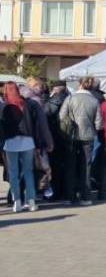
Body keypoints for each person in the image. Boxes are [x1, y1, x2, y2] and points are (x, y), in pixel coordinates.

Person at [1, 82, 53, 212]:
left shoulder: (3, 106)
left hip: (10, 143)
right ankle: (31, 201)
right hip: (28, 141)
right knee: (28, 172)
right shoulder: (29, 104)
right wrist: (45, 142)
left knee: (13, 173)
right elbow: (39, 125)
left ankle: (17, 202)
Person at [60, 76, 103, 205]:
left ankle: (69, 196)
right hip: (88, 137)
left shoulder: (70, 98)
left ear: (79, 84)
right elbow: (99, 124)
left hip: (71, 136)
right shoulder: (94, 101)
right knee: (86, 167)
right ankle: (85, 197)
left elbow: (61, 116)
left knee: (70, 166)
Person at [44, 80, 69, 200]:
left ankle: (56, 192)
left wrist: (49, 98)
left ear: (55, 89)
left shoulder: (53, 100)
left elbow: (45, 114)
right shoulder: (70, 98)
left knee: (55, 166)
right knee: (66, 164)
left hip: (55, 136)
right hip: (69, 136)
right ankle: (67, 191)